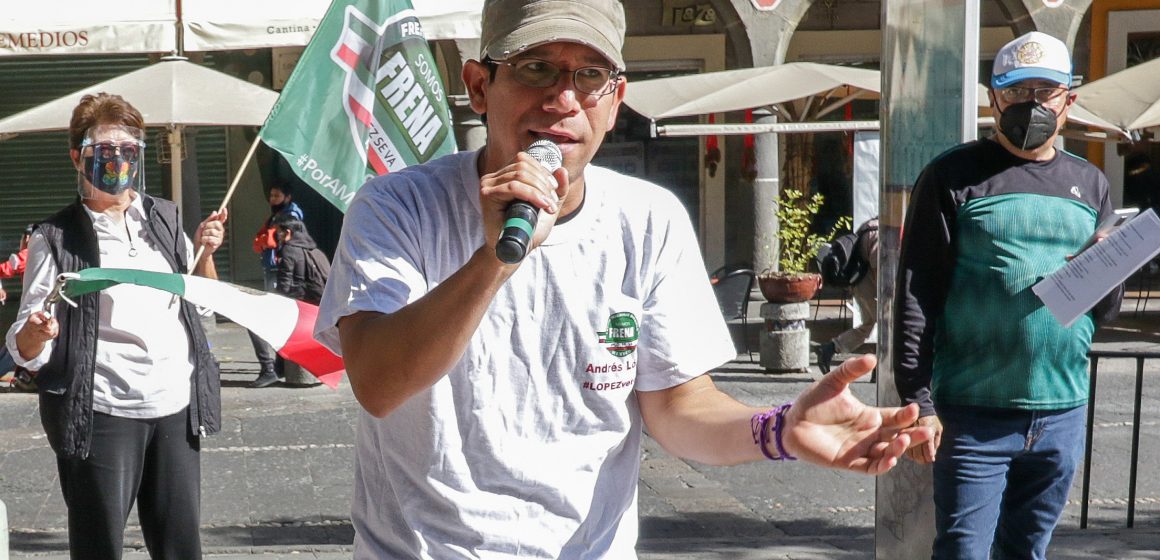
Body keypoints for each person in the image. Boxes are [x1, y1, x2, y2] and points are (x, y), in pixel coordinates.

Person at [314, 1, 934, 558]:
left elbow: (678, 407)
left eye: (589, 76)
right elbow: (378, 383)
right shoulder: (398, 206)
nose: (562, 100)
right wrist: (494, 260)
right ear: (479, 86)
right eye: (536, 68)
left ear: (615, 103)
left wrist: (780, 431)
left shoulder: (649, 218)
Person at [893, 31, 1124, 560]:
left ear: (1070, 99)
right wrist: (918, 399)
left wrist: (1110, 267)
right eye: (1018, 91)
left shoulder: (1090, 185)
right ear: (994, 97)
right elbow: (916, 293)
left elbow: (1102, 312)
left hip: (1061, 411)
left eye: (1046, 91)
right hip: (973, 413)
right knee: (962, 551)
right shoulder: (952, 177)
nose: (1032, 105)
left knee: (1027, 551)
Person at [4, 92, 228, 559]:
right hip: (103, 413)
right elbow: (27, 346)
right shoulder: (56, 236)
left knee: (180, 547)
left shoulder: (164, 219)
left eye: (128, 152)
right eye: (104, 152)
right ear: (77, 157)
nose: (118, 162)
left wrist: (206, 257)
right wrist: (40, 332)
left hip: (174, 407)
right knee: (99, 547)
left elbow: (201, 303)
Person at [247, 183, 303, 388]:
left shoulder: (290, 216)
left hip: (281, 275)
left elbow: (270, 241)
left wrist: (265, 239)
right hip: (272, 272)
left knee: (258, 320)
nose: (272, 199)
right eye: (271, 195)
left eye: (277, 195)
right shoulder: (276, 217)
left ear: (287, 197)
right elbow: (259, 242)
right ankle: (278, 365)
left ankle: (269, 368)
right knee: (277, 319)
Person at [816, 217, 879, 373]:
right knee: (888, 323)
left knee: (871, 324)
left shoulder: (870, 226)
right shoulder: (880, 232)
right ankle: (880, 368)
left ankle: (830, 349)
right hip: (867, 284)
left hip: (859, 282)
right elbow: (879, 267)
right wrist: (886, 293)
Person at [270, 214, 329, 306]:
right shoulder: (314, 250)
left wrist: (278, 302)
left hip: (299, 302)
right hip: (320, 301)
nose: (277, 236)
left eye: (278, 232)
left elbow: (285, 280)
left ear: (288, 233)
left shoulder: (289, 249)